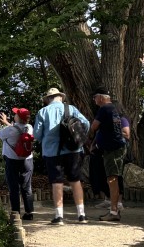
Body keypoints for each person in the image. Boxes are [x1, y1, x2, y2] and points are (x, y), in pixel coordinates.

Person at [33, 87, 89, 224]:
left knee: (57, 182)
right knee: (75, 181)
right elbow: (86, 124)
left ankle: (59, 217)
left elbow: (37, 135)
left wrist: (48, 138)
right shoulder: (71, 109)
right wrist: (77, 138)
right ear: (61, 97)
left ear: (48, 99)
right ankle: (81, 215)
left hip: (52, 152)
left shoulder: (43, 112)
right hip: (73, 150)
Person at [87, 88, 131, 221]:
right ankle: (114, 210)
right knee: (112, 178)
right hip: (113, 148)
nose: (94, 101)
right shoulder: (112, 109)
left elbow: (94, 127)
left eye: (94, 98)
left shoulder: (104, 109)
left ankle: (114, 212)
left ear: (101, 97)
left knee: (112, 179)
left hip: (113, 149)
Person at [0, 107, 35, 220]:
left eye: (16, 114)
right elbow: (18, 129)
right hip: (27, 160)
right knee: (26, 186)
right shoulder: (29, 128)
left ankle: (16, 213)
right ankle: (29, 212)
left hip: (12, 160)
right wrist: (6, 122)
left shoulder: (9, 131)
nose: (14, 115)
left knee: (14, 187)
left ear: (18, 118)